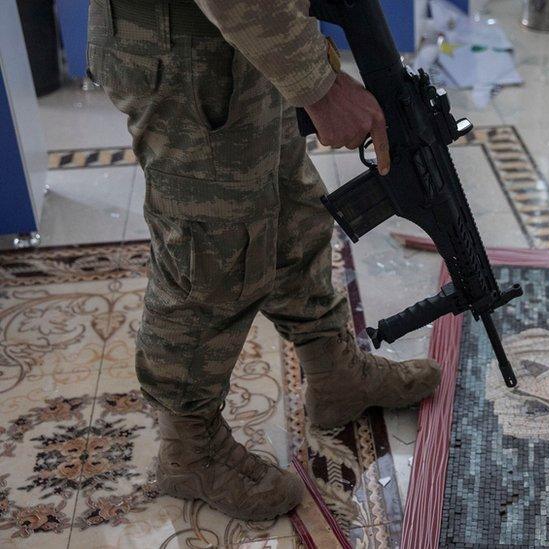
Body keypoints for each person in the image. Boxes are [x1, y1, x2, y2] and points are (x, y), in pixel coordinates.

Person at [86, 0, 442, 521]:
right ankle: (189, 449)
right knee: (211, 250)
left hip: (246, 35)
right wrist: (319, 85)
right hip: (184, 45)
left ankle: (334, 372)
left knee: (292, 211)